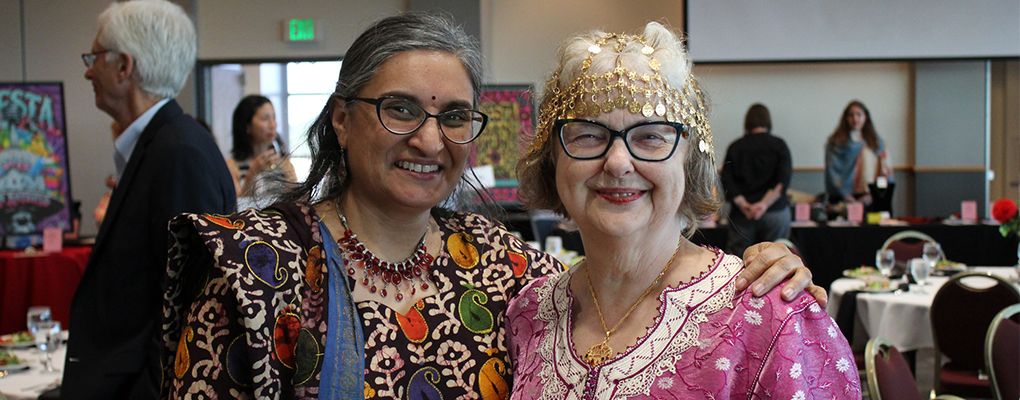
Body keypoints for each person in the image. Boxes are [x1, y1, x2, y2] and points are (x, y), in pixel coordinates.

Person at [160, 12, 824, 399]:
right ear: (340, 119)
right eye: (399, 109)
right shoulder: (252, 267)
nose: (428, 139)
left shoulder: (502, 269)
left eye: (453, 116)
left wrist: (770, 267)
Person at [509, 23, 859, 399]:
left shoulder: (770, 318)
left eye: (650, 136)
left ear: (690, 162)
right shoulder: (529, 313)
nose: (618, 163)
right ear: (553, 159)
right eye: (588, 134)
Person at [66, 0, 237, 399]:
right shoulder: (160, 145)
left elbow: (192, 307)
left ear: (124, 67)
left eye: (95, 57)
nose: (88, 70)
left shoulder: (179, 154)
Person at [720, 103, 793, 256]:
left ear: (747, 123)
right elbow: (781, 181)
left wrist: (745, 205)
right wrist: (763, 205)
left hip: (742, 215)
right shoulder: (779, 145)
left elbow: (727, 179)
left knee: (738, 260)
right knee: (775, 259)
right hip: (774, 212)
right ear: (768, 121)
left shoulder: (736, 147)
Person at [225, 95, 297, 197]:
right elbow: (237, 207)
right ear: (247, 126)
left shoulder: (284, 164)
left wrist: (294, 190)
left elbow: (294, 201)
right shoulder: (232, 166)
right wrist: (253, 174)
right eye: (265, 119)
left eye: (274, 118)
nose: (273, 125)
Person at [824, 100, 892, 208]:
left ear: (866, 117)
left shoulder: (876, 143)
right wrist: (844, 195)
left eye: (859, 114)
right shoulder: (835, 143)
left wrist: (872, 195)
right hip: (842, 199)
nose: (855, 119)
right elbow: (832, 173)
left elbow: (885, 171)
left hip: (870, 198)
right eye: (851, 115)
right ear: (846, 118)